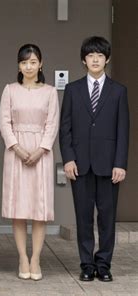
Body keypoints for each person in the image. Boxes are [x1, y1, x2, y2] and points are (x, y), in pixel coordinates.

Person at [59, 36, 129, 282]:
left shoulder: (119, 91)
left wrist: (120, 163)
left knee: (107, 218)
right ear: (84, 60)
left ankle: (104, 264)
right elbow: (64, 127)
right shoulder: (72, 89)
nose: (95, 59)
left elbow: (123, 130)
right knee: (84, 217)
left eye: (100, 55)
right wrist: (68, 159)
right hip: (80, 165)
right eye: (91, 55)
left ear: (106, 59)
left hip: (110, 166)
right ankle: (87, 264)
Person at [0, 44, 59, 281]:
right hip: (16, 153)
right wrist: (17, 147)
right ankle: (23, 257)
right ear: (19, 65)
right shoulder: (10, 90)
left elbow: (52, 124)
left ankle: (36, 259)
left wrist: (40, 149)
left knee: (39, 210)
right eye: (24, 62)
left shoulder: (50, 92)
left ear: (40, 64)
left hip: (41, 153)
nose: (29, 66)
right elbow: (4, 123)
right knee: (19, 209)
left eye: (33, 62)